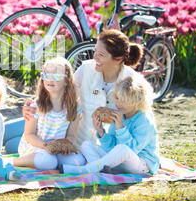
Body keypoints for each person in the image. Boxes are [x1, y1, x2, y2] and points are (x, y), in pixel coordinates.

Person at [22, 29, 154, 151]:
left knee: (21, 140)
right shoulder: (86, 69)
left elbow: (144, 118)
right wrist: (31, 106)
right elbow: (59, 91)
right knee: (19, 135)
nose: (95, 57)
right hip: (76, 142)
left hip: (109, 147)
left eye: (101, 54)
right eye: (95, 51)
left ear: (118, 59)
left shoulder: (132, 81)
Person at [63, 75, 160, 175]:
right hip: (120, 161)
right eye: (117, 98)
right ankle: (100, 169)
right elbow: (111, 147)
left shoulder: (144, 121)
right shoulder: (120, 115)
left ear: (136, 102)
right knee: (86, 145)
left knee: (122, 149)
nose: (118, 104)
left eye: (124, 101)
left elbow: (131, 150)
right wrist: (101, 132)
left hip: (141, 164)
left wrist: (120, 128)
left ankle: (84, 170)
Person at [13, 57, 86, 170]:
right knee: (48, 160)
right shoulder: (36, 105)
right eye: (46, 75)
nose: (50, 80)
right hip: (37, 147)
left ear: (67, 81)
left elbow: (71, 136)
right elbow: (29, 135)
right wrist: (45, 146)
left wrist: (66, 146)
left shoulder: (73, 108)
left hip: (57, 150)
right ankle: (17, 161)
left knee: (79, 161)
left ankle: (55, 164)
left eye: (56, 76)